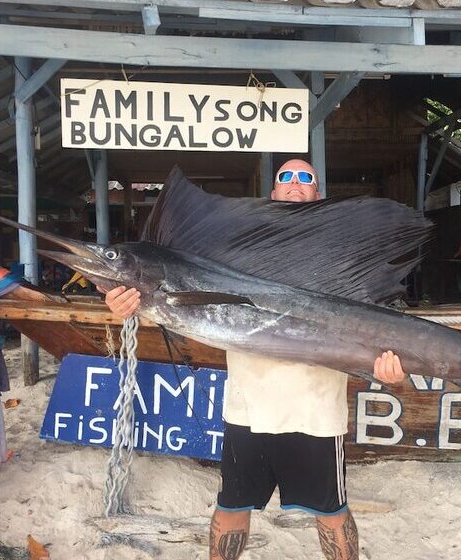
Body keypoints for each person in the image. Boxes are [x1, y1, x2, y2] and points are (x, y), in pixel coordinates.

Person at [103, 159, 406, 560]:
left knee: (331, 511)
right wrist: (127, 306)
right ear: (273, 193)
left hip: (316, 410)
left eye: (305, 177)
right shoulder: (238, 246)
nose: (295, 182)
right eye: (286, 177)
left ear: (318, 194)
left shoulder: (340, 252)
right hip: (248, 409)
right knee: (231, 507)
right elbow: (171, 301)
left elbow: (380, 331)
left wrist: (389, 372)